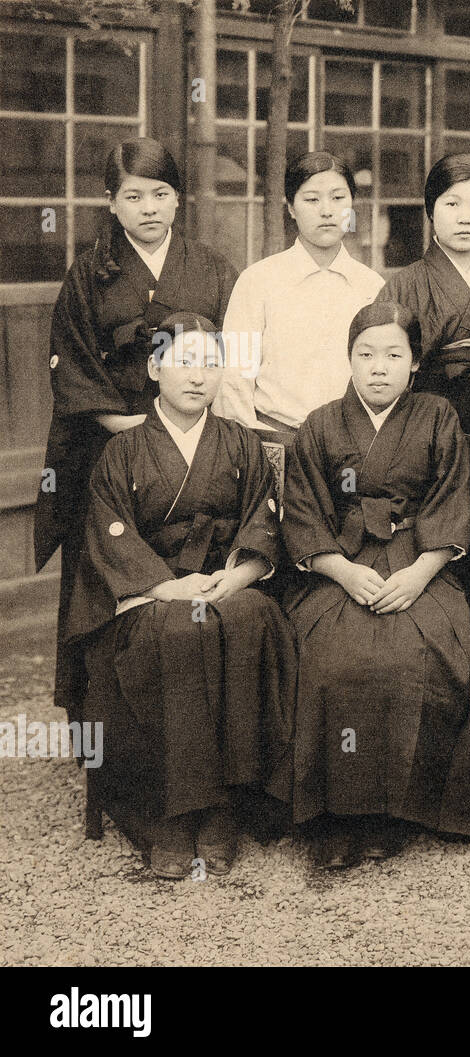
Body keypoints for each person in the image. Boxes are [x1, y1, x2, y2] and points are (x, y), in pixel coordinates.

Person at [64, 313, 293, 879]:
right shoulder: (122, 452)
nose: (198, 376)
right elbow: (109, 531)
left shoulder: (241, 445)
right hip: (151, 591)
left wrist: (234, 577)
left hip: (227, 581)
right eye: (183, 361)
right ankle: (171, 811)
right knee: (177, 629)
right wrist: (166, 585)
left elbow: (263, 520)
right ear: (153, 368)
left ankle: (222, 807)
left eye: (211, 364)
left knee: (249, 621)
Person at [35, 137, 238, 724]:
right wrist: (134, 426)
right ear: (111, 203)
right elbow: (70, 362)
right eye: (133, 196)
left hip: (196, 439)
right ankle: (98, 714)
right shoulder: (89, 273)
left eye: (161, 193)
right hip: (109, 441)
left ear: (178, 201)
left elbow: (232, 358)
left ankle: (197, 712)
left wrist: (187, 420)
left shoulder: (212, 269)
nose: (149, 207)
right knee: (102, 567)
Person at [282, 301, 470, 869]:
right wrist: (343, 572)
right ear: (348, 359)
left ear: (415, 362)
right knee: (329, 654)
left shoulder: (438, 416)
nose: (379, 366)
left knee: (416, 651)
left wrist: (420, 573)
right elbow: (301, 515)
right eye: (366, 354)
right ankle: (336, 813)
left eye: (394, 354)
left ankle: (397, 809)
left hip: (422, 560)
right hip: (340, 561)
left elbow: (452, 503)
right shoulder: (320, 424)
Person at [215, 151, 385, 445]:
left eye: (338, 198)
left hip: (354, 444)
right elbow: (234, 379)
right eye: (311, 199)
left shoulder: (372, 287)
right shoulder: (257, 281)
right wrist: (250, 449)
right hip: (275, 439)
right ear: (291, 208)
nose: (327, 210)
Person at [379, 153, 470, 442]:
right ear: (431, 210)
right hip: (425, 439)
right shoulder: (402, 286)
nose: (465, 217)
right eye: (451, 204)